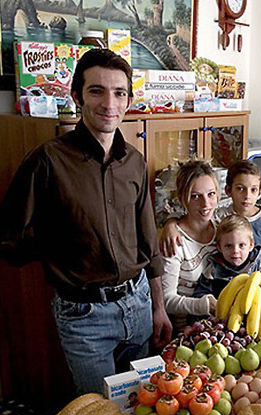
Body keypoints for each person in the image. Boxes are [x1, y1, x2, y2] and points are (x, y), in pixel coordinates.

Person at [0, 48, 172, 395]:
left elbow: (147, 243)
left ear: (128, 100)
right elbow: (8, 238)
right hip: (84, 317)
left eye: (119, 93)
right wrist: (54, 242)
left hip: (138, 304)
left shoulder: (135, 162)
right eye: (97, 91)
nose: (109, 103)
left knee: (145, 406)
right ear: (77, 96)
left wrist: (158, 306)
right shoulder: (48, 161)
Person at [161, 159, 261, 274]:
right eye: (240, 189)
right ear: (228, 190)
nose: (247, 196)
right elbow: (191, 215)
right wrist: (170, 224)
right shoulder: (218, 217)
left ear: (260, 193)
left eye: (253, 190)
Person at [161, 161, 218, 331]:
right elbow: (166, 300)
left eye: (211, 194)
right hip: (186, 331)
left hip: (221, 326)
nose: (206, 204)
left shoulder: (223, 229)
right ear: (182, 198)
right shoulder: (174, 241)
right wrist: (204, 305)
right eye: (195, 196)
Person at [193, 215, 261, 297]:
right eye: (228, 246)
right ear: (219, 247)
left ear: (251, 245)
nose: (235, 251)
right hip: (226, 310)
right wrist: (210, 301)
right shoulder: (213, 271)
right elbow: (200, 292)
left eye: (241, 245)